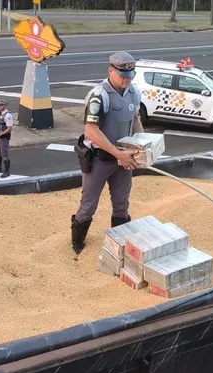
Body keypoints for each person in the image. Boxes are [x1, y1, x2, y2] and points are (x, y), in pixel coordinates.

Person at [70, 51, 145, 255]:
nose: (127, 80)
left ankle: (119, 245)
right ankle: (77, 244)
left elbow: (135, 119)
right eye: (123, 76)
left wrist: (142, 146)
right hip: (99, 159)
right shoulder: (99, 95)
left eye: (130, 76)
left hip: (123, 160)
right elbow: (91, 131)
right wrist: (117, 154)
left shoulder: (133, 92)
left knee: (122, 204)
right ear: (110, 71)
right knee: (88, 205)